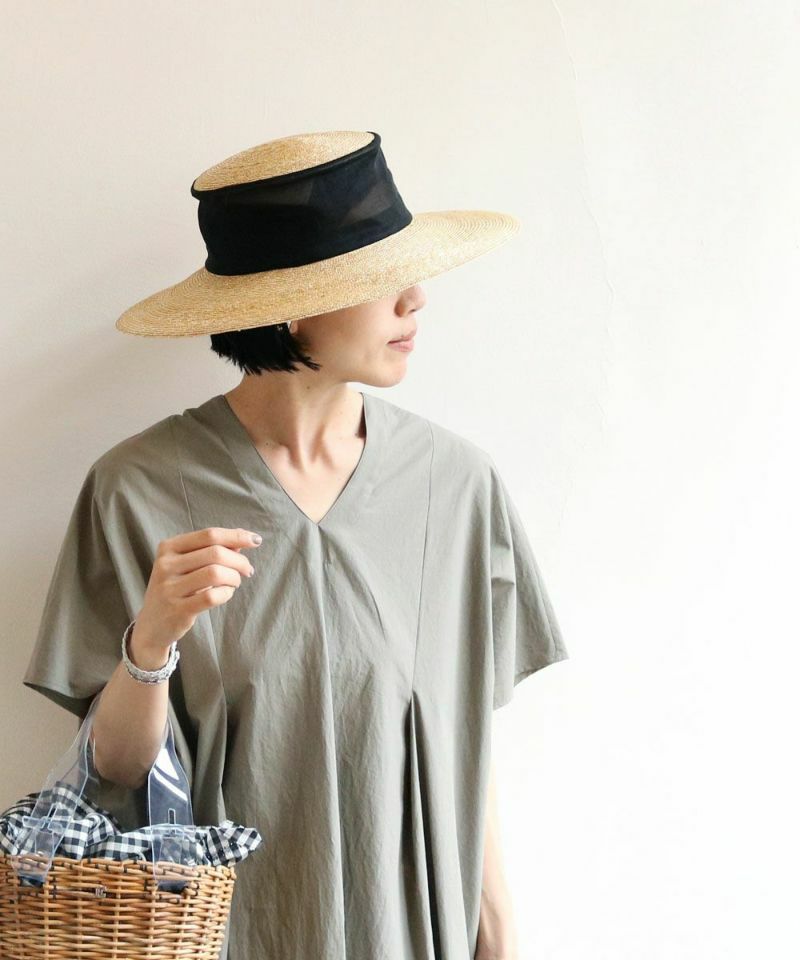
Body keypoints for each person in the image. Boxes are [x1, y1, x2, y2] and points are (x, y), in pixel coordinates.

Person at [22, 130, 569, 960]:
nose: (416, 299)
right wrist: (151, 640)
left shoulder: (456, 486)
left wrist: (498, 937)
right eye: (380, 279)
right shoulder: (136, 489)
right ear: (292, 305)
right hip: (231, 934)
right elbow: (118, 775)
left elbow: (463, 747)